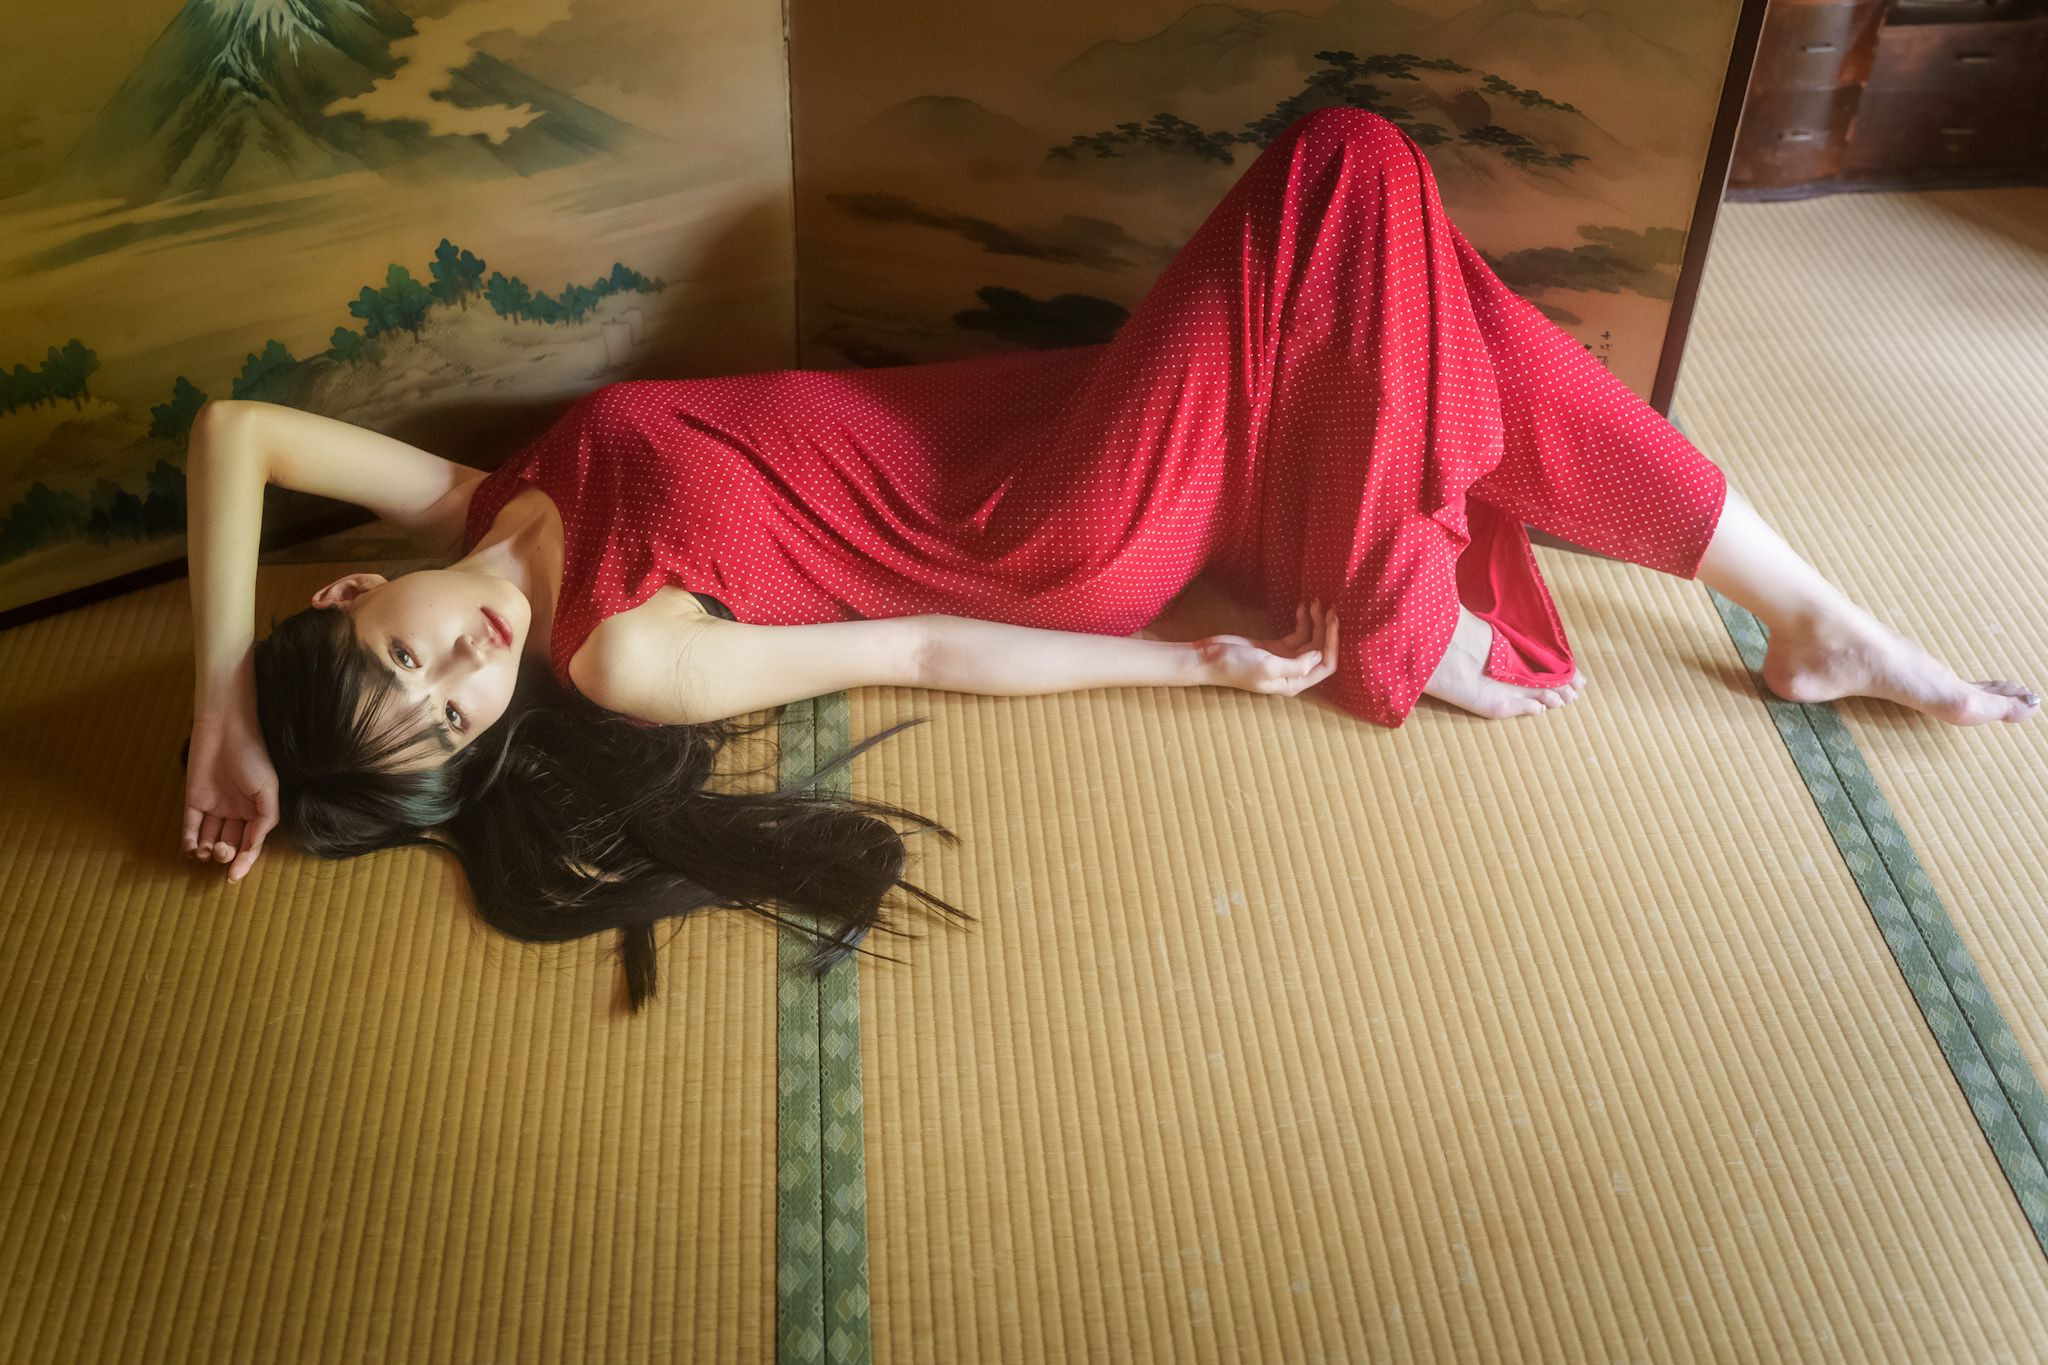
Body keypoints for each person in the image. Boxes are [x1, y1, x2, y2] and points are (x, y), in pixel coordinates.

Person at [180, 106, 2037, 1013]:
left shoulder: (464, 497)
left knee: (1443, 313)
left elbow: (236, 434)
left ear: (348, 588)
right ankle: (1413, 627)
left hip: (1063, 413)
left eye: (409, 655)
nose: (468, 662)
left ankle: (1808, 615)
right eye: (460, 713)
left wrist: (219, 707)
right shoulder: (619, 655)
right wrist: (1185, 661)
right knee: (1349, 166)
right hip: (1053, 523)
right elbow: (922, 650)